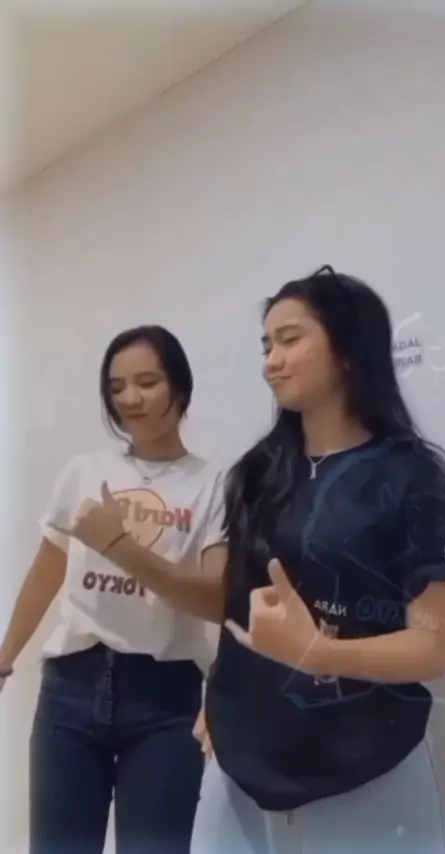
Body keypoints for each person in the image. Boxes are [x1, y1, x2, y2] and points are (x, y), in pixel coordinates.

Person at [50, 268, 445, 854]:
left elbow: (436, 646)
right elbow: (235, 608)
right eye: (267, 345)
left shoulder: (409, 476)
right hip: (244, 768)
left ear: (348, 349)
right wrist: (223, 693)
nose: (272, 361)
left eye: (290, 340)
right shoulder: (256, 475)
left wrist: (319, 652)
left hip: (368, 767)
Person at [0, 324, 226, 854]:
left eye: (147, 382)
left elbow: (216, 598)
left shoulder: (215, 482)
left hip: (166, 697)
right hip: (71, 689)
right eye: (117, 387)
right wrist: (5, 658)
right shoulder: (85, 471)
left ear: (180, 387)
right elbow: (47, 572)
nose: (129, 399)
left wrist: (119, 544)